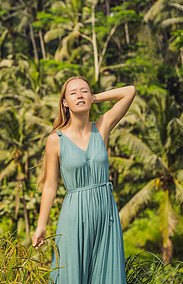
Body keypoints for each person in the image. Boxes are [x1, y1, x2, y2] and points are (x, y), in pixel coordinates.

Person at [32, 76, 136, 283]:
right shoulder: (55, 140)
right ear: (64, 102)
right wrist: (41, 225)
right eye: (73, 93)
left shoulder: (102, 128)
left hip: (106, 214)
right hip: (74, 216)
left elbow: (129, 91)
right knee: (71, 274)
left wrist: (93, 97)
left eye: (84, 91)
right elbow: (50, 186)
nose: (79, 95)